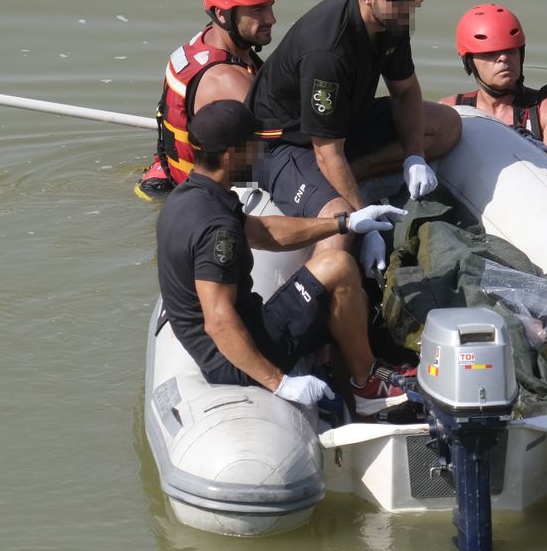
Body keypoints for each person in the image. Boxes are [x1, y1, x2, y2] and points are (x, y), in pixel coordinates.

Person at [154, 99, 412, 416]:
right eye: (253, 145)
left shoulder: (189, 197)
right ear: (230, 155)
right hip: (236, 356)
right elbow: (219, 321)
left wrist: (345, 223)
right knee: (340, 266)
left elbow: (265, 232)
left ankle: (338, 371)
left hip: (239, 335)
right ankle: (366, 383)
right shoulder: (218, 230)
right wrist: (280, 383)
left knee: (330, 277)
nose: (259, 153)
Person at [246, 0, 462, 276]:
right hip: (285, 144)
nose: (409, 7)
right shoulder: (326, 54)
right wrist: (367, 223)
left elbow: (405, 91)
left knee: (446, 125)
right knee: (340, 221)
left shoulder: (392, 19)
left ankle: (350, 176)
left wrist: (414, 155)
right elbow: (326, 151)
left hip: (344, 121)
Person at [136, 0, 282, 200]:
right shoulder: (226, 80)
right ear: (222, 14)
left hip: (168, 177)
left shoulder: (203, 42)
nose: (271, 19)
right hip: (200, 199)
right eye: (257, 9)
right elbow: (286, 144)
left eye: (270, 5)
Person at [438, 3, 547, 167]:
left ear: (521, 54)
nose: (503, 58)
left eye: (510, 50)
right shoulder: (451, 110)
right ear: (469, 61)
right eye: (490, 53)